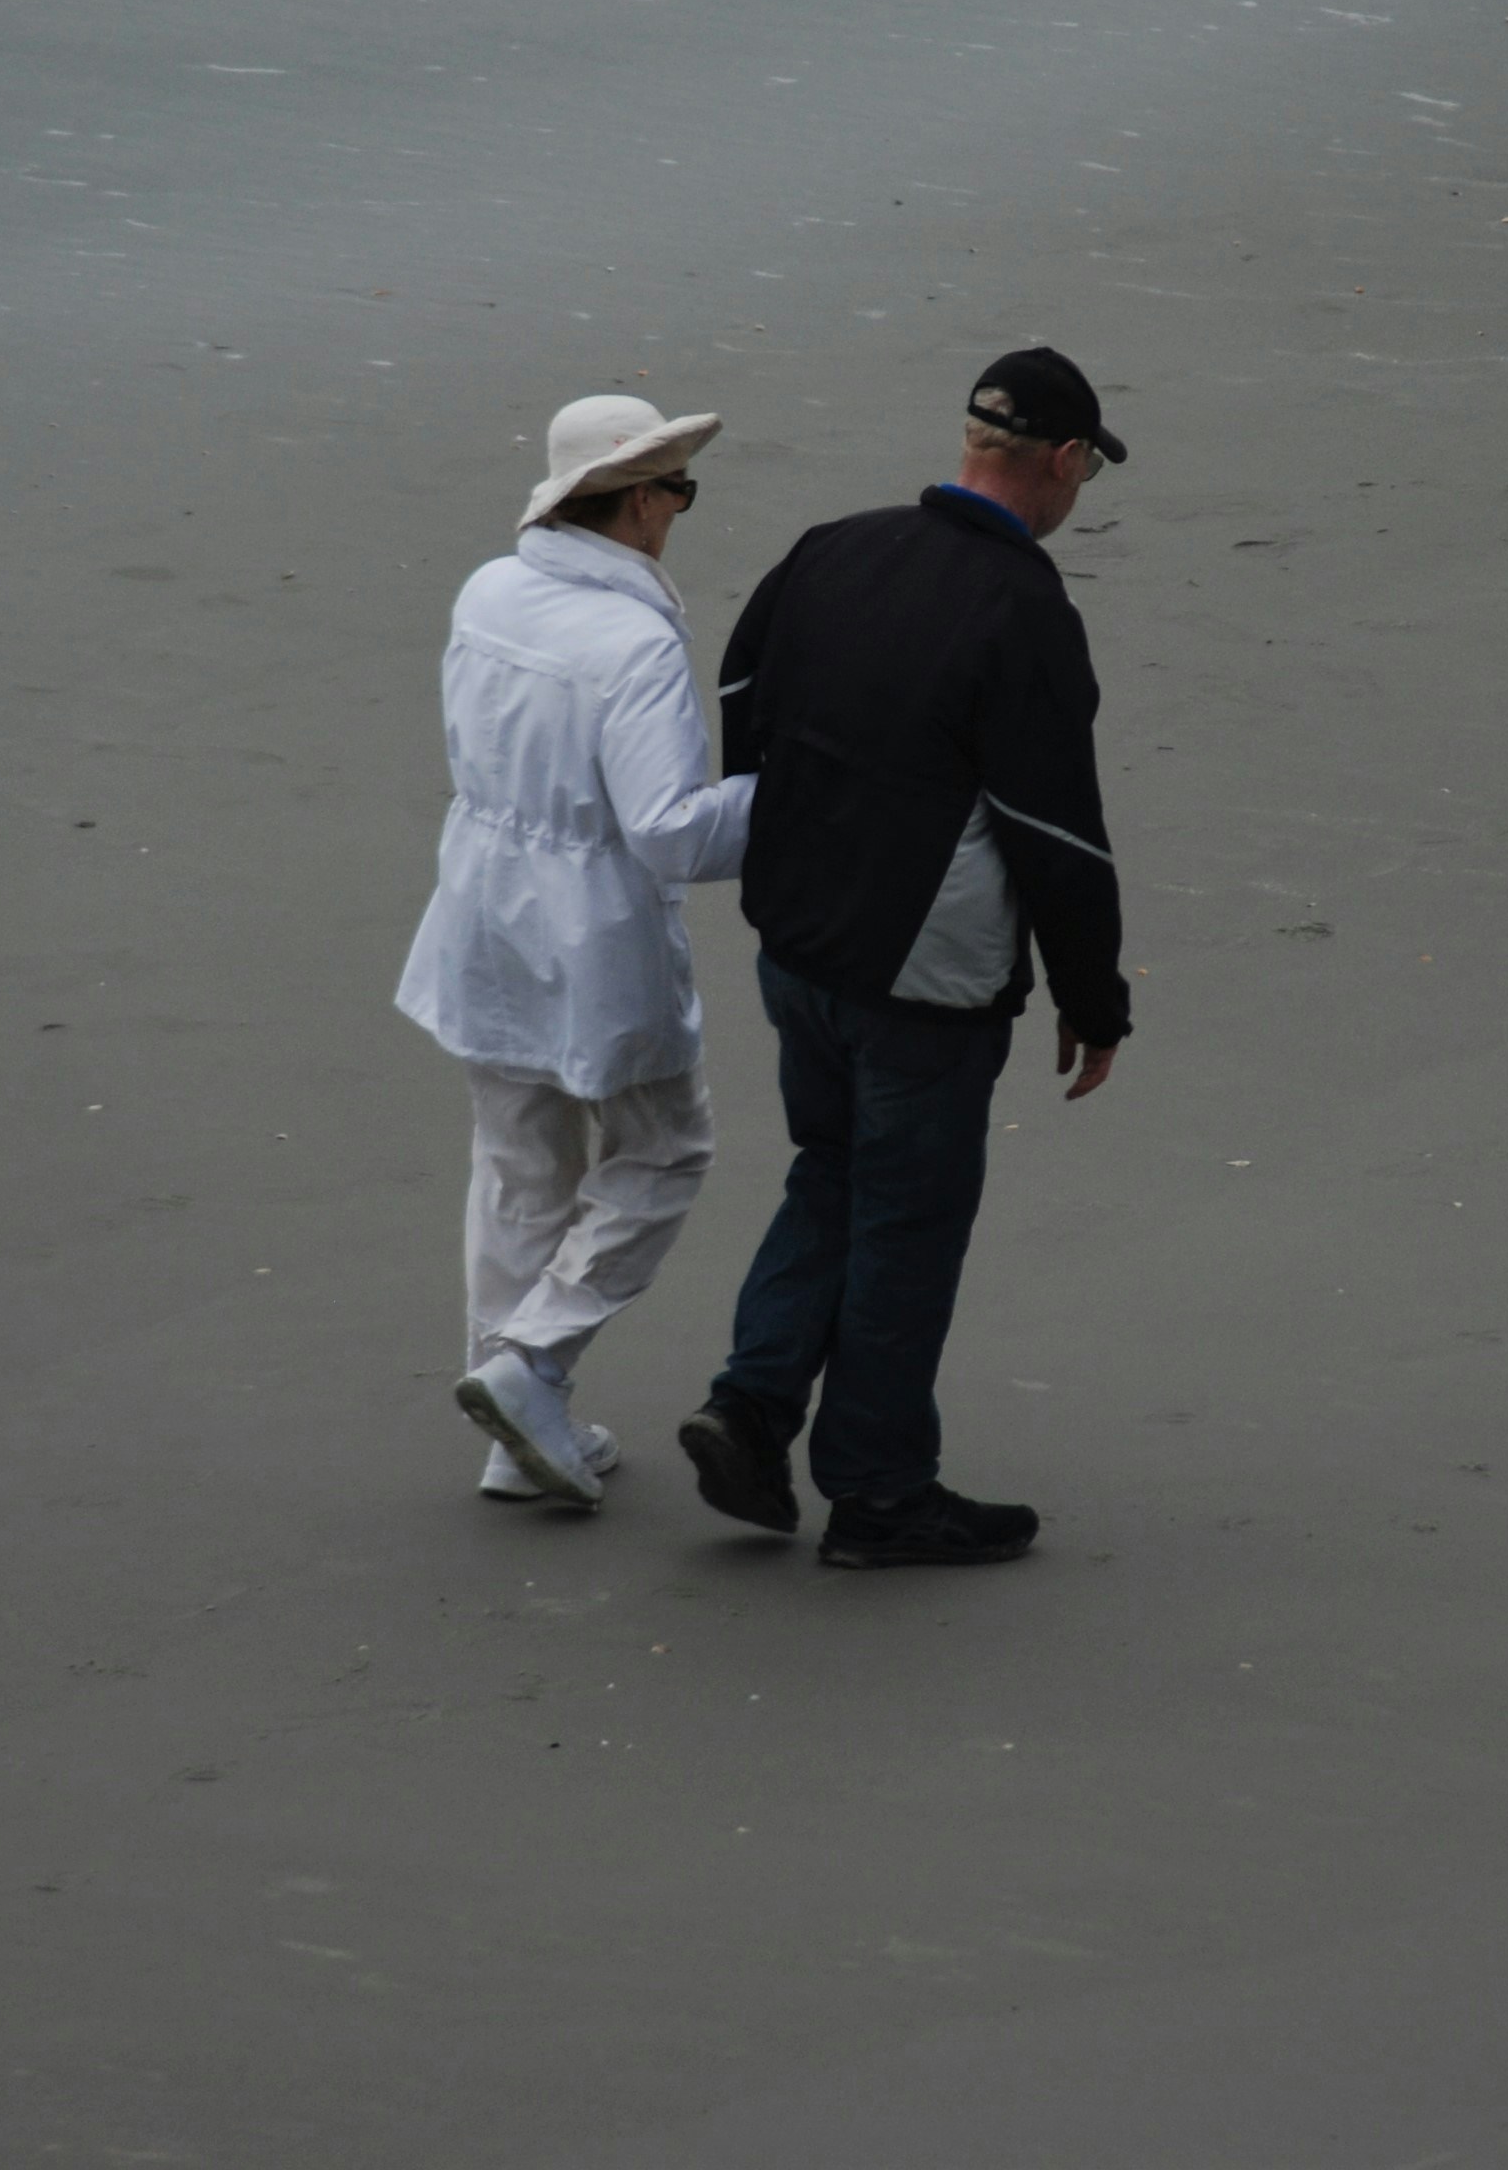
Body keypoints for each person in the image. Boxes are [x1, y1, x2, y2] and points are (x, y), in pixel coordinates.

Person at [678, 347, 1135, 1568]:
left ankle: (751, 1406)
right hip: (922, 980)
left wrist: (788, 832)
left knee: (830, 1169)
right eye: (1084, 470)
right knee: (909, 1219)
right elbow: (1052, 832)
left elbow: (740, 686)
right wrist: (1095, 1000)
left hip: (797, 943)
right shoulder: (1023, 609)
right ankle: (878, 1491)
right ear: (1062, 460)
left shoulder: (833, 545)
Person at [395, 394, 755, 1510]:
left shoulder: (488, 589)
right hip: (592, 927)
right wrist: (793, 802)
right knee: (661, 1149)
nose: (679, 513)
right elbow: (667, 830)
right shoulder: (632, 641)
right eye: (678, 492)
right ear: (641, 500)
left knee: (517, 1165)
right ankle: (532, 1363)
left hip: (480, 902)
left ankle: (516, 1434)